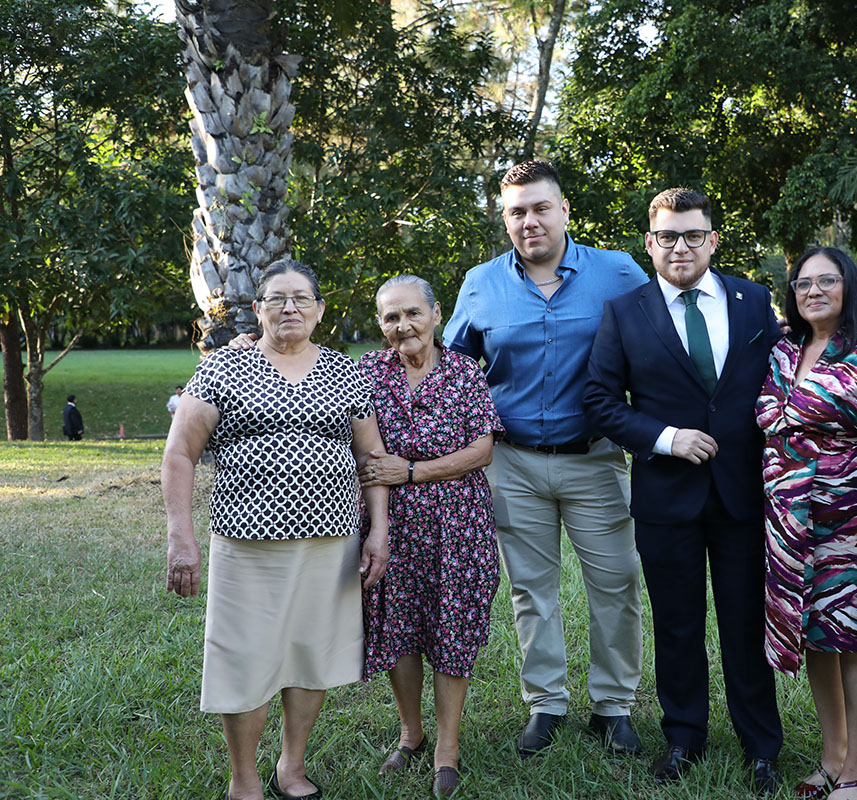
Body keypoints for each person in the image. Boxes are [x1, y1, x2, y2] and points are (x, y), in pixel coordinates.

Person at [162, 259, 390, 800]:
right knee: (244, 657)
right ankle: (244, 779)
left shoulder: (344, 371)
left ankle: (292, 767)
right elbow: (179, 453)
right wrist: (180, 535)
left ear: (320, 310)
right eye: (277, 298)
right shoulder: (222, 369)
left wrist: (378, 529)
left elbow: (372, 456)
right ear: (258, 309)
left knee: (310, 654)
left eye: (301, 298)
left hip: (330, 542)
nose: (290, 307)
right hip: (247, 542)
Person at [442, 160, 647, 757]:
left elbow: (660, 337)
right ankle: (546, 703)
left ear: (562, 210)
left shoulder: (618, 272)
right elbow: (452, 368)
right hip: (514, 463)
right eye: (516, 212)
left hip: (596, 458)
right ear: (505, 220)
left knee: (616, 581)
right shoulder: (481, 283)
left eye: (538, 208)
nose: (528, 221)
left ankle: (613, 705)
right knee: (532, 589)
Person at [583, 187, 784, 794]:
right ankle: (683, 737)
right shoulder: (625, 311)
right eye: (667, 236)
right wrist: (667, 438)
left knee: (745, 622)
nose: (680, 247)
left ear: (713, 240)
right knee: (676, 624)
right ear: (649, 243)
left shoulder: (754, 303)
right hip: (666, 496)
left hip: (743, 493)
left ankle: (761, 744)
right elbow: (598, 401)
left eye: (693, 235)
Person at [756, 247, 857, 800]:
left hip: (856, 514)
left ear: (848, 286)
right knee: (817, 636)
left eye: (827, 280)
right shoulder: (782, 351)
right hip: (789, 519)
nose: (814, 291)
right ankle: (833, 756)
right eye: (803, 283)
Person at [356, 275, 504, 799]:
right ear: (381, 325)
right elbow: (302, 357)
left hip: (458, 526)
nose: (403, 326)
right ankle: (410, 733)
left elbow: (483, 450)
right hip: (390, 526)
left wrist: (413, 471)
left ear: (436, 314)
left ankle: (447, 746)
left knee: (452, 629)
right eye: (392, 317)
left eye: (412, 313)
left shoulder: (464, 372)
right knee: (398, 629)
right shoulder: (366, 373)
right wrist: (242, 344)